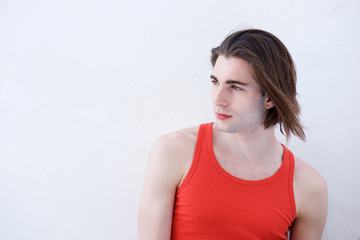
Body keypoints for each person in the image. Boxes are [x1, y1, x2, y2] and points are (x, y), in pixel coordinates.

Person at [138, 29, 328, 240]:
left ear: (270, 98)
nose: (218, 99)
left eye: (235, 87)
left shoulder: (308, 186)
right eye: (215, 82)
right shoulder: (173, 151)